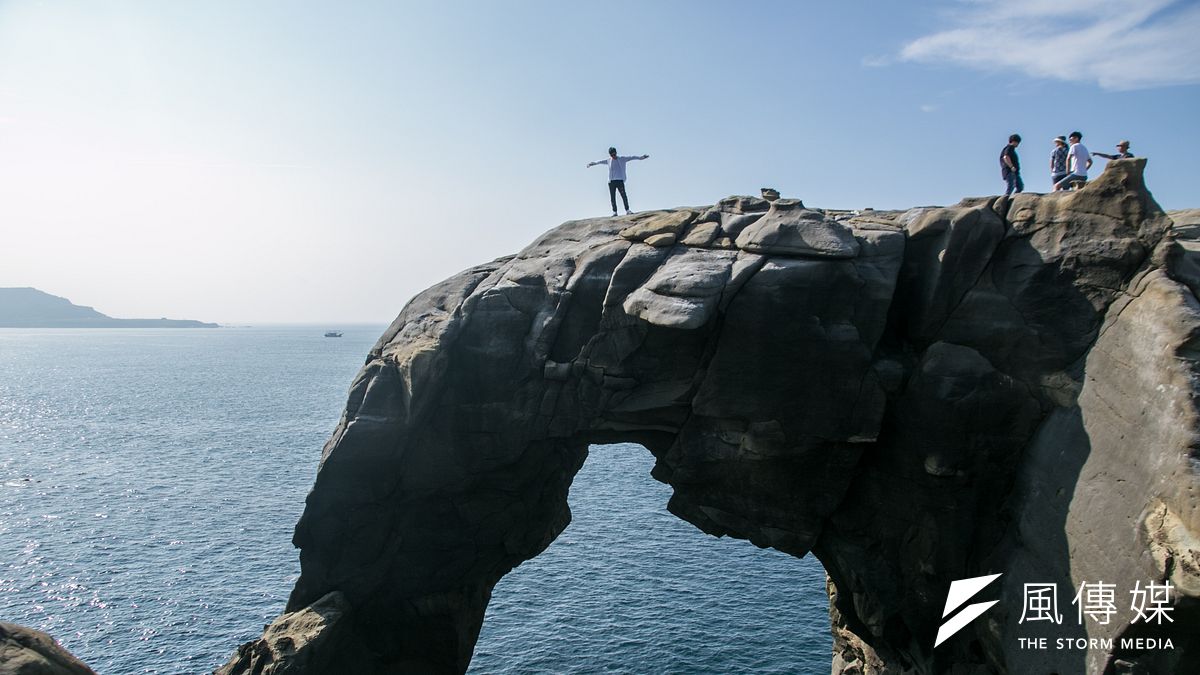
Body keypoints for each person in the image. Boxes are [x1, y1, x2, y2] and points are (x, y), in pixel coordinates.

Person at [587, 147, 649, 216]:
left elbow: (632, 157)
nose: (613, 156)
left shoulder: (622, 159)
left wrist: (641, 157)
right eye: (611, 155)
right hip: (611, 182)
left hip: (620, 180)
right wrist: (591, 164)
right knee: (612, 197)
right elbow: (599, 162)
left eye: (614, 154)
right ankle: (615, 212)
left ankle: (627, 210)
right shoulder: (608, 160)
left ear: (616, 153)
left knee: (623, 195)